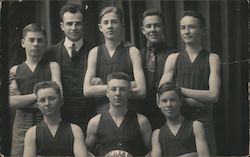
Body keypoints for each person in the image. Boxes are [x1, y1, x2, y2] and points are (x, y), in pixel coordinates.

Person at [159, 11, 220, 155]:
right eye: (183, 27)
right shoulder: (173, 58)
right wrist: (198, 102)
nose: (186, 31)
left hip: (203, 122)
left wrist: (179, 91)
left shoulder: (212, 58)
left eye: (191, 27)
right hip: (178, 122)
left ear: (202, 30)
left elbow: (213, 96)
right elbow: (163, 90)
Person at [9, 23, 62, 156]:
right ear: (23, 43)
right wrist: (42, 96)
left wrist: (23, 99)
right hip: (21, 123)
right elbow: (12, 102)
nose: (35, 44)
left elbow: (58, 96)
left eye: (40, 40)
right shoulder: (15, 70)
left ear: (45, 43)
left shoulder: (52, 66)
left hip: (47, 119)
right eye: (31, 40)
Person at [83, 6, 146, 113]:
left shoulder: (132, 52)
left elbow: (141, 91)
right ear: (100, 27)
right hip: (103, 114)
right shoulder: (94, 53)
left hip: (129, 113)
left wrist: (102, 88)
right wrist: (128, 85)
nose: (110, 26)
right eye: (106, 22)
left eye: (114, 22)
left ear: (121, 25)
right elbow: (87, 90)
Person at [44, 3, 95, 134]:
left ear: (84, 25)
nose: (74, 28)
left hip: (89, 119)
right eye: (69, 24)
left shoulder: (94, 51)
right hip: (60, 119)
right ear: (62, 26)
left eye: (78, 23)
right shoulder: (50, 53)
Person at [85, 72, 151, 156]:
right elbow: (85, 151)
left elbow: (153, 152)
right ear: (107, 93)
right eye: (113, 89)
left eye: (122, 89)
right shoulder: (95, 122)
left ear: (129, 93)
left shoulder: (142, 122)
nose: (117, 93)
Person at [23, 81, 88, 157]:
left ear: (61, 101)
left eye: (51, 98)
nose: (47, 103)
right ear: (38, 105)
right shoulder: (32, 133)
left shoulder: (75, 131)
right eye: (42, 100)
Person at [151, 82, 210, 157]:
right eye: (164, 101)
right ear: (158, 103)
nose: (169, 104)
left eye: (173, 100)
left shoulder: (195, 126)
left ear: (181, 101)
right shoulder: (157, 135)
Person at [140, 8, 176, 130]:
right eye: (148, 26)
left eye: (157, 25)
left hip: (167, 113)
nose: (153, 30)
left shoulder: (174, 55)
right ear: (143, 30)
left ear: (164, 28)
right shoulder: (136, 55)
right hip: (142, 113)